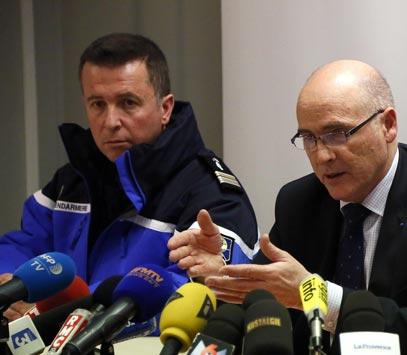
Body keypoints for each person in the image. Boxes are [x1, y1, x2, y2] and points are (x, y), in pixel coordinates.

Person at [169, 59, 407, 355]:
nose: (322, 155)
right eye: (309, 138)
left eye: (337, 134)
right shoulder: (300, 201)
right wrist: (223, 274)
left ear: (388, 125)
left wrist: (317, 297)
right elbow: (263, 304)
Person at [0, 33, 259, 320]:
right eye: (98, 104)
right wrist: (13, 287)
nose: (111, 122)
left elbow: (194, 296)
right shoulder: (71, 180)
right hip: (63, 354)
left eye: (128, 103)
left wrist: (58, 312)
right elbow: (22, 245)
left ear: (165, 108)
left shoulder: (211, 192)